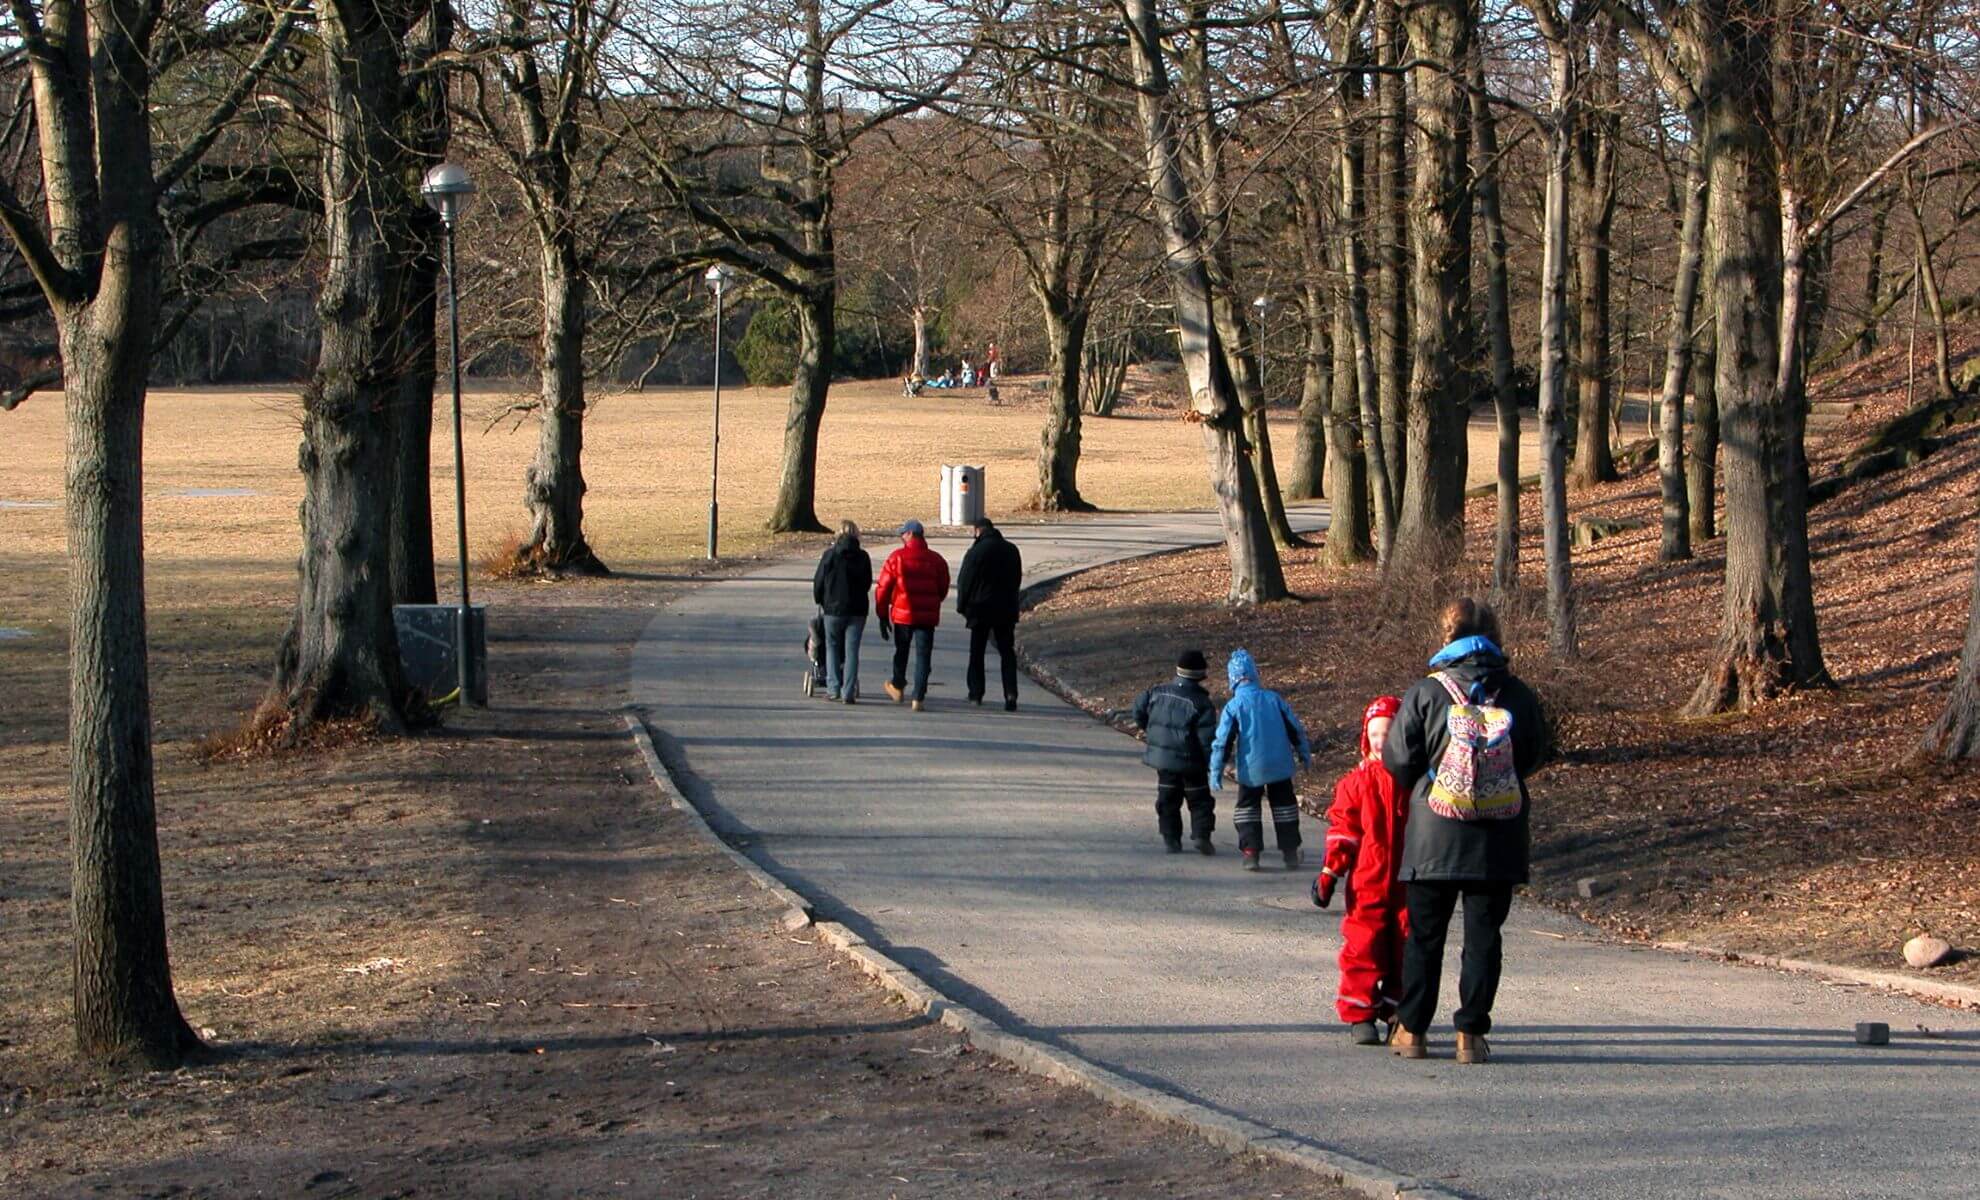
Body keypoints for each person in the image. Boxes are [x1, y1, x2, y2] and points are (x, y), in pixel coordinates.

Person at [1384, 598, 1551, 1065]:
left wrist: (1433, 783)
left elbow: (1398, 759)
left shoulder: (1426, 692)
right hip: (1498, 837)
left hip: (1434, 834)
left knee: (1424, 937)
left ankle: (1413, 1030)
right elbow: (1534, 755)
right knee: (1483, 939)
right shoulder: (1517, 693)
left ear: (1447, 637)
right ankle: (1470, 1037)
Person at [1312, 695, 1406, 1045]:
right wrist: (1329, 873)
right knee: (1363, 944)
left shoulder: (1413, 781)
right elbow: (1343, 833)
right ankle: (1360, 1012)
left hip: (1408, 878)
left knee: (1407, 944)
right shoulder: (1355, 784)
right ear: (1367, 738)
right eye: (1376, 734)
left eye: (1389, 733)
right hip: (1368, 879)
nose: (1382, 741)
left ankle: (1398, 1007)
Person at [1208, 649, 1312, 871]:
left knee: (1247, 808)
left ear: (1232, 680)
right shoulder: (1274, 699)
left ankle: (1251, 852)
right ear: (1255, 675)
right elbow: (1295, 729)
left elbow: (1222, 741)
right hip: (1280, 766)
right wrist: (1304, 753)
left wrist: (1215, 770)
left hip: (1250, 768)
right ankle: (1290, 851)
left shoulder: (1234, 707)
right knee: (1285, 807)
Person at [1132, 650, 1219, 854]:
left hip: (1165, 762)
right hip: (1192, 762)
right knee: (1200, 801)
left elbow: (1138, 711)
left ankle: (1171, 839)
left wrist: (1153, 733)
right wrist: (1211, 762)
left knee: (1168, 799)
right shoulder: (1202, 703)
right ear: (1200, 675)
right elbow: (1206, 739)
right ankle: (1201, 835)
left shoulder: (1155, 692)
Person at [874, 519, 950, 712]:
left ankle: (898, 685)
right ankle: (918, 696)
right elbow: (943, 587)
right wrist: (933, 602)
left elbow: (883, 588)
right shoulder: (936, 559)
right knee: (924, 656)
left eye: (903, 533)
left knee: (902, 651)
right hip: (927, 616)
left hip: (903, 614)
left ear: (910, 535)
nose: (901, 537)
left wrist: (882, 614)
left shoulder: (896, 557)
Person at [955, 517, 1024, 711]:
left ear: (977, 531)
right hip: (1005, 608)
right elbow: (1017, 579)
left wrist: (962, 606)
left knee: (977, 652)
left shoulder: (976, 552)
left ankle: (976, 693)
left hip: (980, 608)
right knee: (1006, 652)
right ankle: (1011, 694)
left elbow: (965, 581)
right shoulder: (1011, 550)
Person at [811, 520, 872, 704]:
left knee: (832, 647)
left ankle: (833, 688)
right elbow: (867, 583)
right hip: (857, 609)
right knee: (852, 650)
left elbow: (819, 581)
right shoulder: (863, 557)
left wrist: (820, 599)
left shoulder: (830, 555)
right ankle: (849, 691)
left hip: (833, 609)